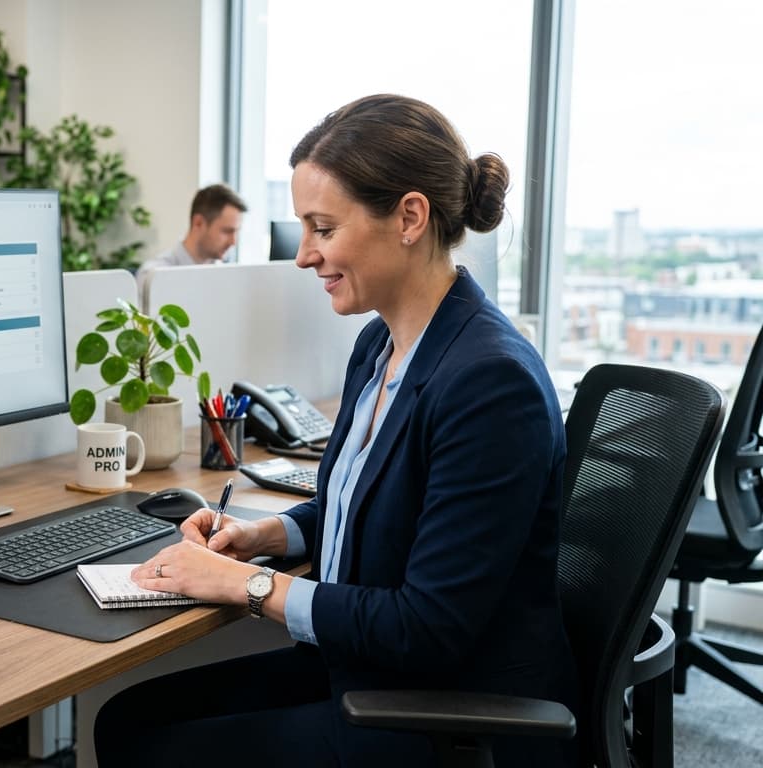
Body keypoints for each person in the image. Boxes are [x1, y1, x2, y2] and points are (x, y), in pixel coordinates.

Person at [95, 94, 575, 767]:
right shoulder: (381, 344)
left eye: (323, 228)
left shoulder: (490, 382)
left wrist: (247, 585)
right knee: (126, 718)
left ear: (410, 216)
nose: (304, 255)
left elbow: (427, 628)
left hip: (443, 710)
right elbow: (366, 508)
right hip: (365, 669)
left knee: (153, 746)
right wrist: (265, 534)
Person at [135, 184, 246, 308]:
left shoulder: (225, 277)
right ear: (198, 223)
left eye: (236, 232)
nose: (233, 242)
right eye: (227, 231)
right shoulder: (153, 276)